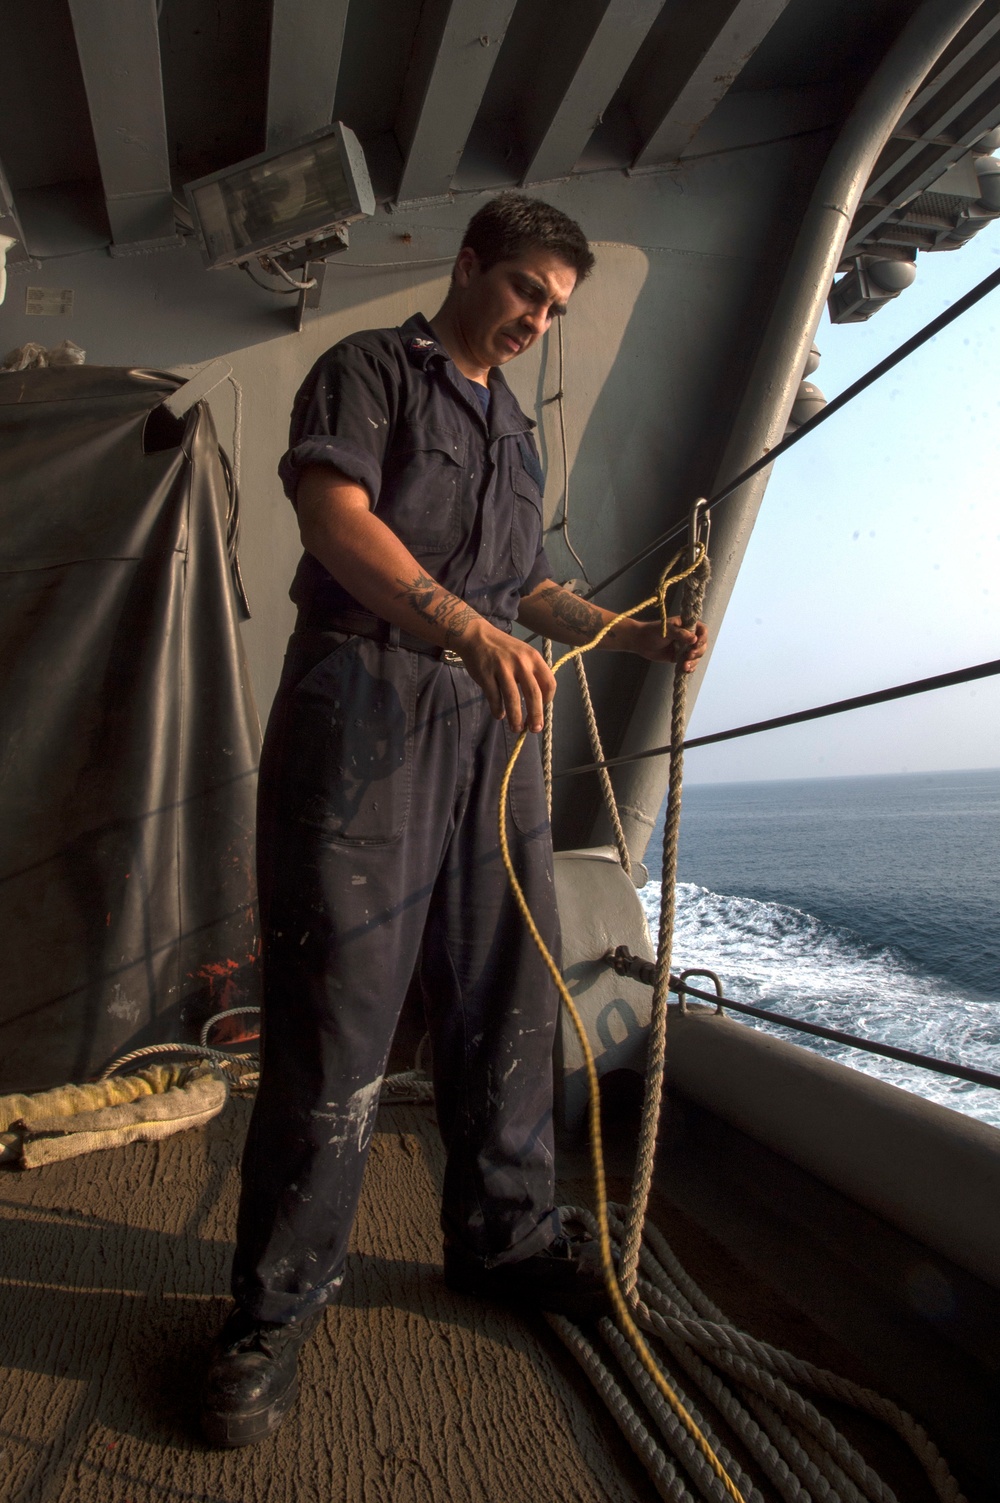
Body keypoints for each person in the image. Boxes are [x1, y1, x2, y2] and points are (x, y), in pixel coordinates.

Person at [200, 194, 707, 1448]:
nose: (538, 320)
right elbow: (336, 518)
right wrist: (468, 629)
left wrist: (630, 633)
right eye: (527, 291)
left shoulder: (512, 434)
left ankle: (504, 1238)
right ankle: (271, 1312)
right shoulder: (369, 371)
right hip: (363, 708)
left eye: (555, 309)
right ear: (469, 264)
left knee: (506, 996)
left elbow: (520, 587)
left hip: (491, 735)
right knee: (339, 1018)